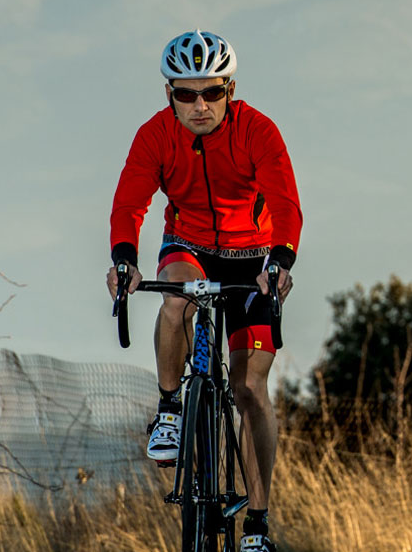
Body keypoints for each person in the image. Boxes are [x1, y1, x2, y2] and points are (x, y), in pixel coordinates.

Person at [106, 29, 302, 552]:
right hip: (187, 241)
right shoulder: (154, 135)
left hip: (252, 256)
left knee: (250, 391)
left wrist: (281, 259)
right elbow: (129, 204)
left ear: (230, 90)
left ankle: (257, 524)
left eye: (212, 93)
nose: (199, 106)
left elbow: (285, 203)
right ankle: (170, 407)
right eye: (185, 94)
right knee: (175, 296)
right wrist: (123, 259)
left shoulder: (259, 131)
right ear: (168, 93)